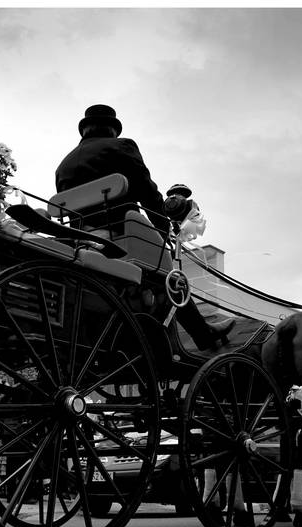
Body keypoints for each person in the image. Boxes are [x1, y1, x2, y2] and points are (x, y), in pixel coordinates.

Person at [55, 104, 235, 350]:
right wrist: (165, 234)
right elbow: (148, 193)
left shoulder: (64, 165)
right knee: (171, 276)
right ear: (112, 129)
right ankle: (201, 333)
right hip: (123, 237)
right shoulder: (122, 146)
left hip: (80, 240)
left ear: (84, 130)